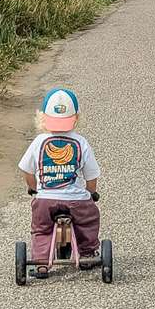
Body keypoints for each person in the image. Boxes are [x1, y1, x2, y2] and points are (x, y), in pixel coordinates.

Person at [18, 88, 100, 276]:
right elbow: (91, 175)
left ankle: (41, 262)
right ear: (76, 118)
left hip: (45, 199)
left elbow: (26, 170)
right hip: (76, 199)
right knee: (88, 220)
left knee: (41, 229)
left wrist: (33, 188)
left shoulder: (39, 141)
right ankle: (87, 253)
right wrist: (91, 192)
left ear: (43, 118)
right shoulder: (81, 142)